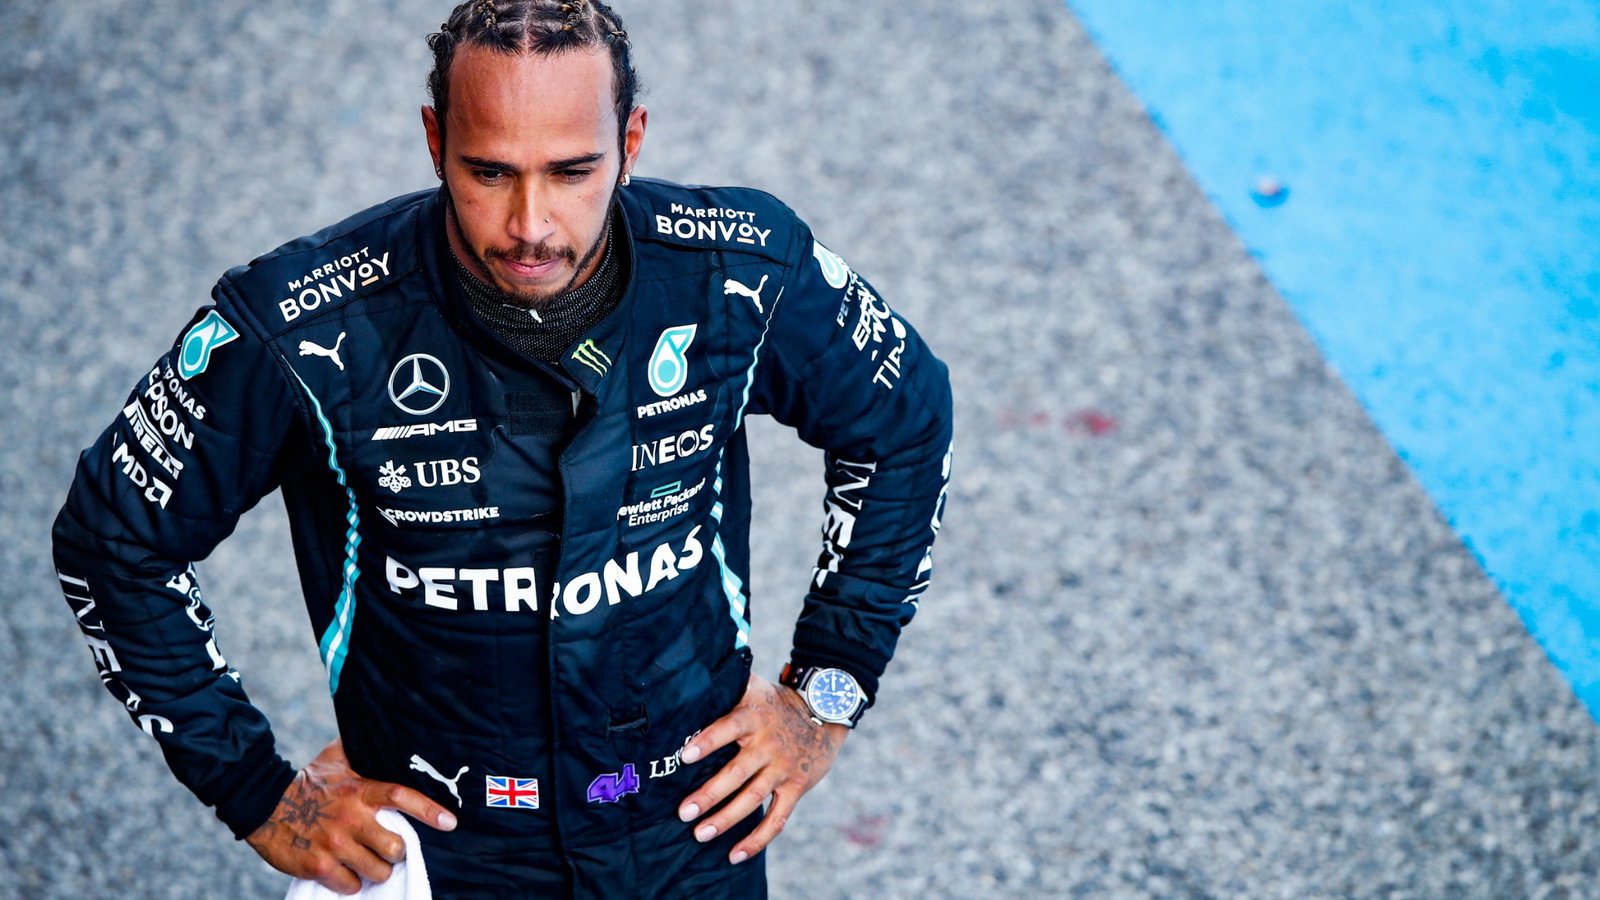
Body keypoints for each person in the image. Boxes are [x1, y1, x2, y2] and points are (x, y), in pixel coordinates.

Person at [51, 1, 952, 896]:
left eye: (572, 171)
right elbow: (113, 542)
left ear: (631, 142)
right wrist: (260, 794)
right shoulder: (299, 323)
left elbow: (906, 422)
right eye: (489, 171)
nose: (530, 222)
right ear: (434, 139)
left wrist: (825, 692)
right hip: (444, 851)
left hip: (692, 833)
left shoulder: (742, 271)